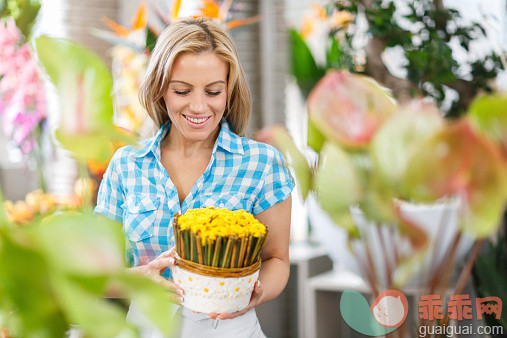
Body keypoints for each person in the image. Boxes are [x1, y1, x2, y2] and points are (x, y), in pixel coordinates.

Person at [94, 17, 294, 337]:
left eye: (213, 91)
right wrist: (138, 279)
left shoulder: (263, 164)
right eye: (182, 90)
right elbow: (93, 273)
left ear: (229, 90)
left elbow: (277, 260)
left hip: (229, 329)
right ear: (161, 89)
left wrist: (254, 293)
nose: (199, 106)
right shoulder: (126, 165)